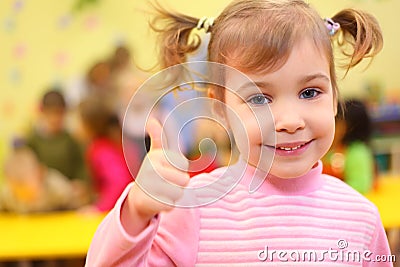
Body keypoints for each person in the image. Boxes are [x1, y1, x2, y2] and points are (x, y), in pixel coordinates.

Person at [86, 1, 391, 266]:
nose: (289, 121)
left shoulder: (361, 217)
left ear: (335, 96)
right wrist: (136, 210)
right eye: (258, 98)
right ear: (220, 108)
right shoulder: (193, 210)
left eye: (310, 92)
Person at [77, 97, 139, 212]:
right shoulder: (113, 142)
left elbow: (119, 182)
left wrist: (99, 208)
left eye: (78, 121)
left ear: (90, 125)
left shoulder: (102, 150)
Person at [26, 89, 87, 182]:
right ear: (42, 112)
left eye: (59, 113)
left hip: (69, 190)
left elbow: (81, 166)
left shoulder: (71, 139)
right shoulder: (33, 140)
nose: (54, 118)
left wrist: (80, 182)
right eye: (50, 113)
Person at [0, 147, 81, 213]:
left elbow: (75, 203)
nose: (25, 199)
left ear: (40, 175)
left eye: (29, 194)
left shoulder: (57, 189)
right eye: (17, 193)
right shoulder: (8, 195)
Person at [323, 99, 376, 194]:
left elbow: (361, 186)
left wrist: (328, 192)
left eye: (336, 122)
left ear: (346, 127)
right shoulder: (326, 149)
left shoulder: (356, 152)